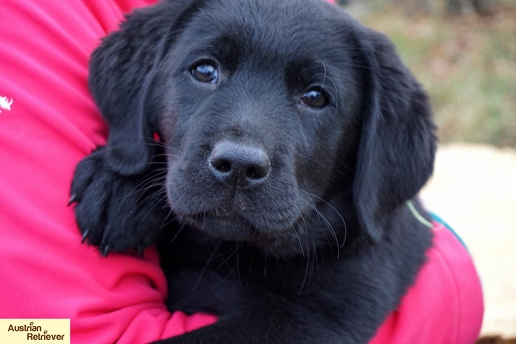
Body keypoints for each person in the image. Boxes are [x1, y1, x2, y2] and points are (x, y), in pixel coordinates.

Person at [0, 0, 482, 343]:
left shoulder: (339, 272)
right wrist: (129, 162)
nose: (242, 151)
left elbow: (319, 323)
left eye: (315, 97)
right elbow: (37, 335)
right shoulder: (30, 20)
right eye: (205, 72)